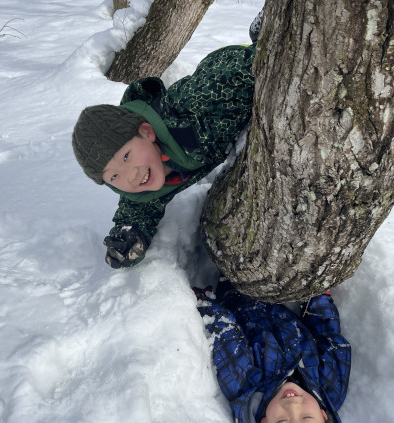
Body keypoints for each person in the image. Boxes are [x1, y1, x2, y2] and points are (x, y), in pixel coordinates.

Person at [71, 20, 260, 269]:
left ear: (147, 132)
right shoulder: (141, 185)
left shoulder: (193, 108)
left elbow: (230, 71)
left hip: (232, 69)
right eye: (114, 175)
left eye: (126, 156)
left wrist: (262, 54)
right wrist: (130, 237)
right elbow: (138, 210)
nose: (131, 176)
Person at [193, 280, 352, 423]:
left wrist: (207, 304)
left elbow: (225, 335)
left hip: (238, 288)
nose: (293, 407)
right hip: (284, 287)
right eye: (306, 418)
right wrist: (316, 295)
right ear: (324, 417)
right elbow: (328, 337)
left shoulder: (245, 384)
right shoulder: (330, 388)